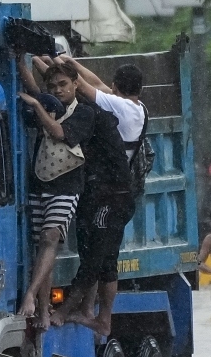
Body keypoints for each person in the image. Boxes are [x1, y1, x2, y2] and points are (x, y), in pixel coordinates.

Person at [41, 56, 147, 336]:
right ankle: (98, 316)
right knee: (106, 261)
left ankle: (68, 312)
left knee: (94, 259)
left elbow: (86, 87)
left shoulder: (110, 109)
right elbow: (91, 83)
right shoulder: (136, 107)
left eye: (63, 84)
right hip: (116, 192)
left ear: (115, 86)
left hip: (111, 194)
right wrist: (65, 62)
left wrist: (52, 65)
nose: (58, 89)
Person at [16, 58, 94, 330]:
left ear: (75, 84)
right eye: (53, 86)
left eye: (63, 84)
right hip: (40, 183)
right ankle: (43, 311)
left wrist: (37, 104)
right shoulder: (49, 104)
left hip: (67, 186)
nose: (58, 90)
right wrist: (19, 60)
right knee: (42, 247)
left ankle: (30, 295)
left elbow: (59, 132)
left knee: (51, 238)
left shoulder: (84, 113)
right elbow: (32, 86)